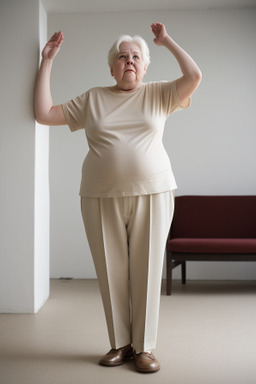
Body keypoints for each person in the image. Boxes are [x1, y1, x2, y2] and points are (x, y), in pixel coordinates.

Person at [35, 22, 201, 373]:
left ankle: (145, 348)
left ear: (144, 66)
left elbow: (195, 75)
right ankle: (120, 344)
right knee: (111, 272)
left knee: (147, 269)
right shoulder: (93, 98)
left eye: (136, 57)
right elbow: (44, 113)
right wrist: (46, 61)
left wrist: (167, 41)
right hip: (98, 195)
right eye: (122, 57)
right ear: (111, 67)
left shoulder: (159, 93)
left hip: (153, 193)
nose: (129, 61)